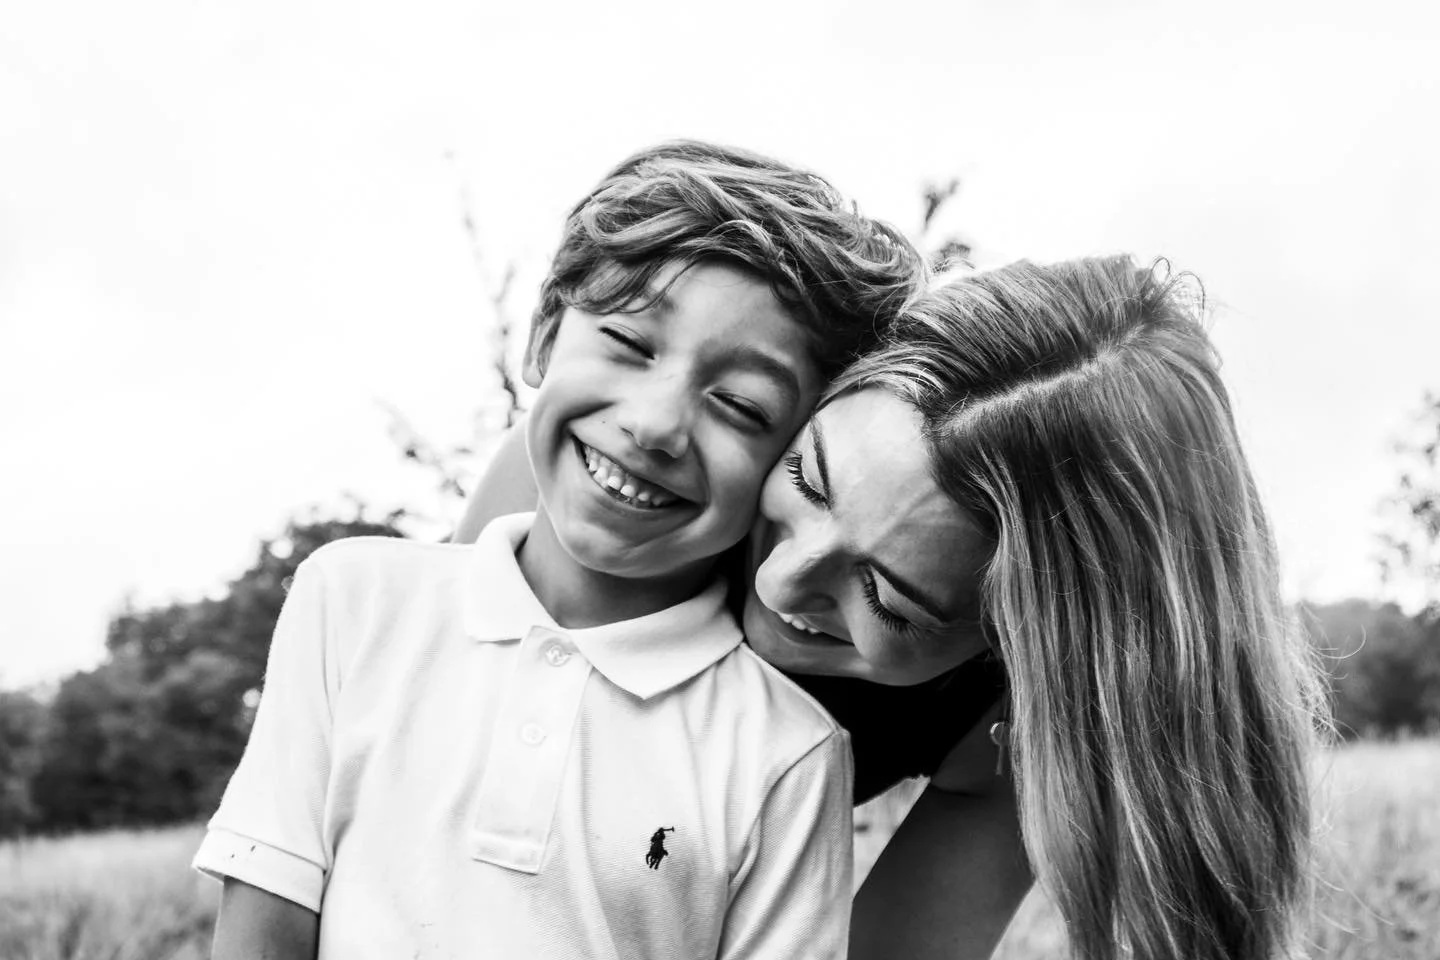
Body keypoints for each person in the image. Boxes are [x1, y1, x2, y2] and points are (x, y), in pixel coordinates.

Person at [461, 255, 1326, 960]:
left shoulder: (1005, 728)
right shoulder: (598, 476)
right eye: (807, 478)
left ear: (1011, 650)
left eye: (890, 600)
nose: (779, 585)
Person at [193, 141, 926, 959]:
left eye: (741, 405)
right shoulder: (352, 600)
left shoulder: (790, 754)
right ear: (545, 333)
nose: (653, 424)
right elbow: (261, 928)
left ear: (792, 458)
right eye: (630, 342)